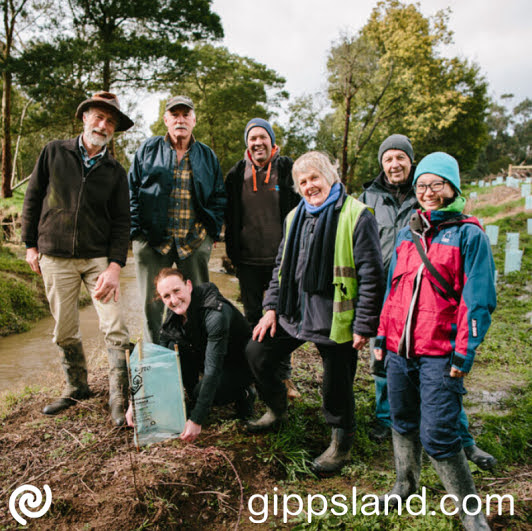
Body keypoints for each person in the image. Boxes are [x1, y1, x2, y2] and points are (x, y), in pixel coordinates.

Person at [360, 134, 497, 470]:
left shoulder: (431, 203)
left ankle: (460, 437)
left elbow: (476, 293)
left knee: (440, 379)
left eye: (400, 158)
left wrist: (466, 345)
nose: (394, 164)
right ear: (382, 164)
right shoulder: (370, 196)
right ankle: (390, 423)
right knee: (389, 372)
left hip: (436, 299)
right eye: (388, 158)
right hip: (391, 290)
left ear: (411, 161)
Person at [246, 151, 385, 474]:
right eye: (303, 181)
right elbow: (281, 267)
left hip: (335, 315)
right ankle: (277, 408)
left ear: (330, 178)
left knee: (336, 381)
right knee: (257, 352)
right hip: (293, 312)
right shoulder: (294, 217)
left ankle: (341, 441)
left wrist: (363, 324)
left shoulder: (357, 215)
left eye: (315, 178)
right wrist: (270, 308)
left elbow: (370, 275)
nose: (310, 186)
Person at [21, 91, 133, 426]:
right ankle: (77, 386)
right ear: (84, 118)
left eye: (110, 121)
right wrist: (30, 244)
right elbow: (33, 197)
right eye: (98, 117)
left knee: (114, 326)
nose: (103, 124)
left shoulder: (115, 171)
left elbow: (122, 222)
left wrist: (115, 267)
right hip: (54, 256)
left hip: (98, 259)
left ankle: (119, 398)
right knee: (64, 330)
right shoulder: (54, 151)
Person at [128, 95, 226, 344]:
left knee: (199, 302)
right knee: (152, 308)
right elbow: (130, 193)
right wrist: (137, 235)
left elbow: (218, 198)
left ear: (194, 119)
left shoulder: (207, 156)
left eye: (185, 114)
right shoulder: (147, 150)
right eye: (175, 114)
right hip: (152, 243)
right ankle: (156, 361)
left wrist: (209, 236)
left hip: (193, 244)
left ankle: (197, 357)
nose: (180, 119)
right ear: (165, 119)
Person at [125, 268, 255, 443]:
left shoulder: (216, 313)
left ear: (188, 285)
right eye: (166, 296)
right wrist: (137, 402)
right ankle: (195, 398)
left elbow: (212, 369)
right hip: (211, 357)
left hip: (239, 364)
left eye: (177, 291)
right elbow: (159, 361)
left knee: (205, 391)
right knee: (173, 346)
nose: (173, 300)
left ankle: (245, 393)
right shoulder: (176, 311)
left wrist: (196, 420)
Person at [224, 118, 300, 397]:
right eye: (252, 138)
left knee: (283, 317)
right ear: (247, 143)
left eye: (262, 137)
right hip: (248, 262)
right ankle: (258, 374)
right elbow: (229, 217)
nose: (257, 143)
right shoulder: (235, 175)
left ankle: (285, 376)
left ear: (271, 141)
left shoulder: (288, 169)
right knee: (253, 317)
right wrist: (233, 255)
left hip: (283, 261)